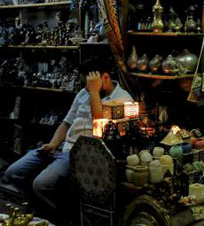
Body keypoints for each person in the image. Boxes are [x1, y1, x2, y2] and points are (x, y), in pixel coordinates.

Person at [4, 59, 133, 215]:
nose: (86, 87)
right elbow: (66, 123)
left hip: (84, 154)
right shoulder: (83, 93)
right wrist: (52, 144)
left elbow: (100, 126)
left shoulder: (123, 100)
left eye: (89, 83)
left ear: (104, 78)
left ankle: (61, 216)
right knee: (13, 172)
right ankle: (43, 208)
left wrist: (94, 93)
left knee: (41, 184)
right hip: (62, 147)